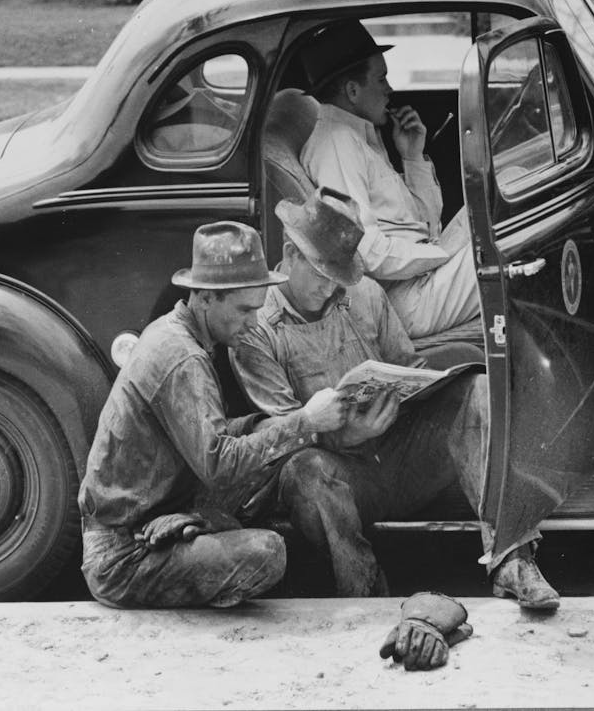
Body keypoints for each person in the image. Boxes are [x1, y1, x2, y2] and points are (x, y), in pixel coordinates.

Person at [231, 187, 559, 609]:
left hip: (399, 456)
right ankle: (365, 593)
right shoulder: (257, 327)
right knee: (305, 472)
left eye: (340, 274)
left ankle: (513, 560)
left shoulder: (365, 293)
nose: (332, 286)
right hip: (343, 477)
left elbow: (408, 367)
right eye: (320, 272)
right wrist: (342, 436)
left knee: (475, 393)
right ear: (290, 254)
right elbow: (273, 440)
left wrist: (419, 386)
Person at [78, 221, 347, 608]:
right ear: (204, 297)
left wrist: (269, 426)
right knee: (268, 553)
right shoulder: (183, 357)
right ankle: (192, 540)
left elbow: (210, 442)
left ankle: (195, 525)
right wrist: (305, 421)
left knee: (271, 439)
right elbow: (219, 465)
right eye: (243, 310)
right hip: (123, 554)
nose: (253, 322)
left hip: (152, 510)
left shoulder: (176, 330)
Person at [297, 19, 479, 340]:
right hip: (406, 300)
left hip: (421, 277)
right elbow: (365, 251)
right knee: (515, 244)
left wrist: (411, 156)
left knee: (504, 192)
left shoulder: (360, 135)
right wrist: (442, 255)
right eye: (381, 79)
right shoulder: (336, 143)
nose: (390, 90)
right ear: (352, 91)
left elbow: (425, 222)